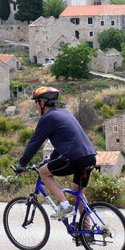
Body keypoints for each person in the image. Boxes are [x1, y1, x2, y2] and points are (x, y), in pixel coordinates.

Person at [15, 87, 97, 220]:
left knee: (43, 172)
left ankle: (65, 206)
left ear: (41, 103)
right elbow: (64, 143)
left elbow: (34, 143)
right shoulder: (64, 113)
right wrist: (50, 160)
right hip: (89, 157)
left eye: (36, 102)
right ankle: (86, 233)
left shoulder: (47, 118)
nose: (36, 106)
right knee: (78, 193)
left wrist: (21, 164)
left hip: (74, 158)